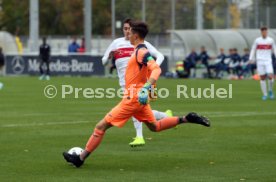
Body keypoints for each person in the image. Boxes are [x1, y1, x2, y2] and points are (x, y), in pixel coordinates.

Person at [62, 21, 211, 168]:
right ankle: (186, 118)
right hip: (139, 99)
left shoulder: (141, 51)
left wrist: (146, 88)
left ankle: (80, 159)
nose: (128, 34)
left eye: (130, 32)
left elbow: (156, 70)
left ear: (136, 35)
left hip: (133, 98)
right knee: (154, 126)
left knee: (100, 126)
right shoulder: (138, 50)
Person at [102, 18, 171, 147]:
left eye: (129, 29)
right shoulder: (116, 43)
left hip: (142, 83)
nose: (127, 31)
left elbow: (160, 56)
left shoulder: (141, 45)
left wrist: (152, 69)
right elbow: (104, 61)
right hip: (124, 83)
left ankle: (140, 137)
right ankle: (165, 116)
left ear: (134, 31)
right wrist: (109, 57)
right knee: (141, 109)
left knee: (135, 107)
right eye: (125, 28)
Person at [249, 26, 276, 100]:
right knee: (262, 78)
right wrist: (251, 58)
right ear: (261, 32)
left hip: (268, 61)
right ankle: (265, 94)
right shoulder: (257, 40)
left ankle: (270, 90)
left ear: (267, 32)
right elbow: (253, 49)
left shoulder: (271, 40)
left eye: (265, 31)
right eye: (263, 32)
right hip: (260, 61)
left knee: (271, 76)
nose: (264, 33)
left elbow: (274, 49)